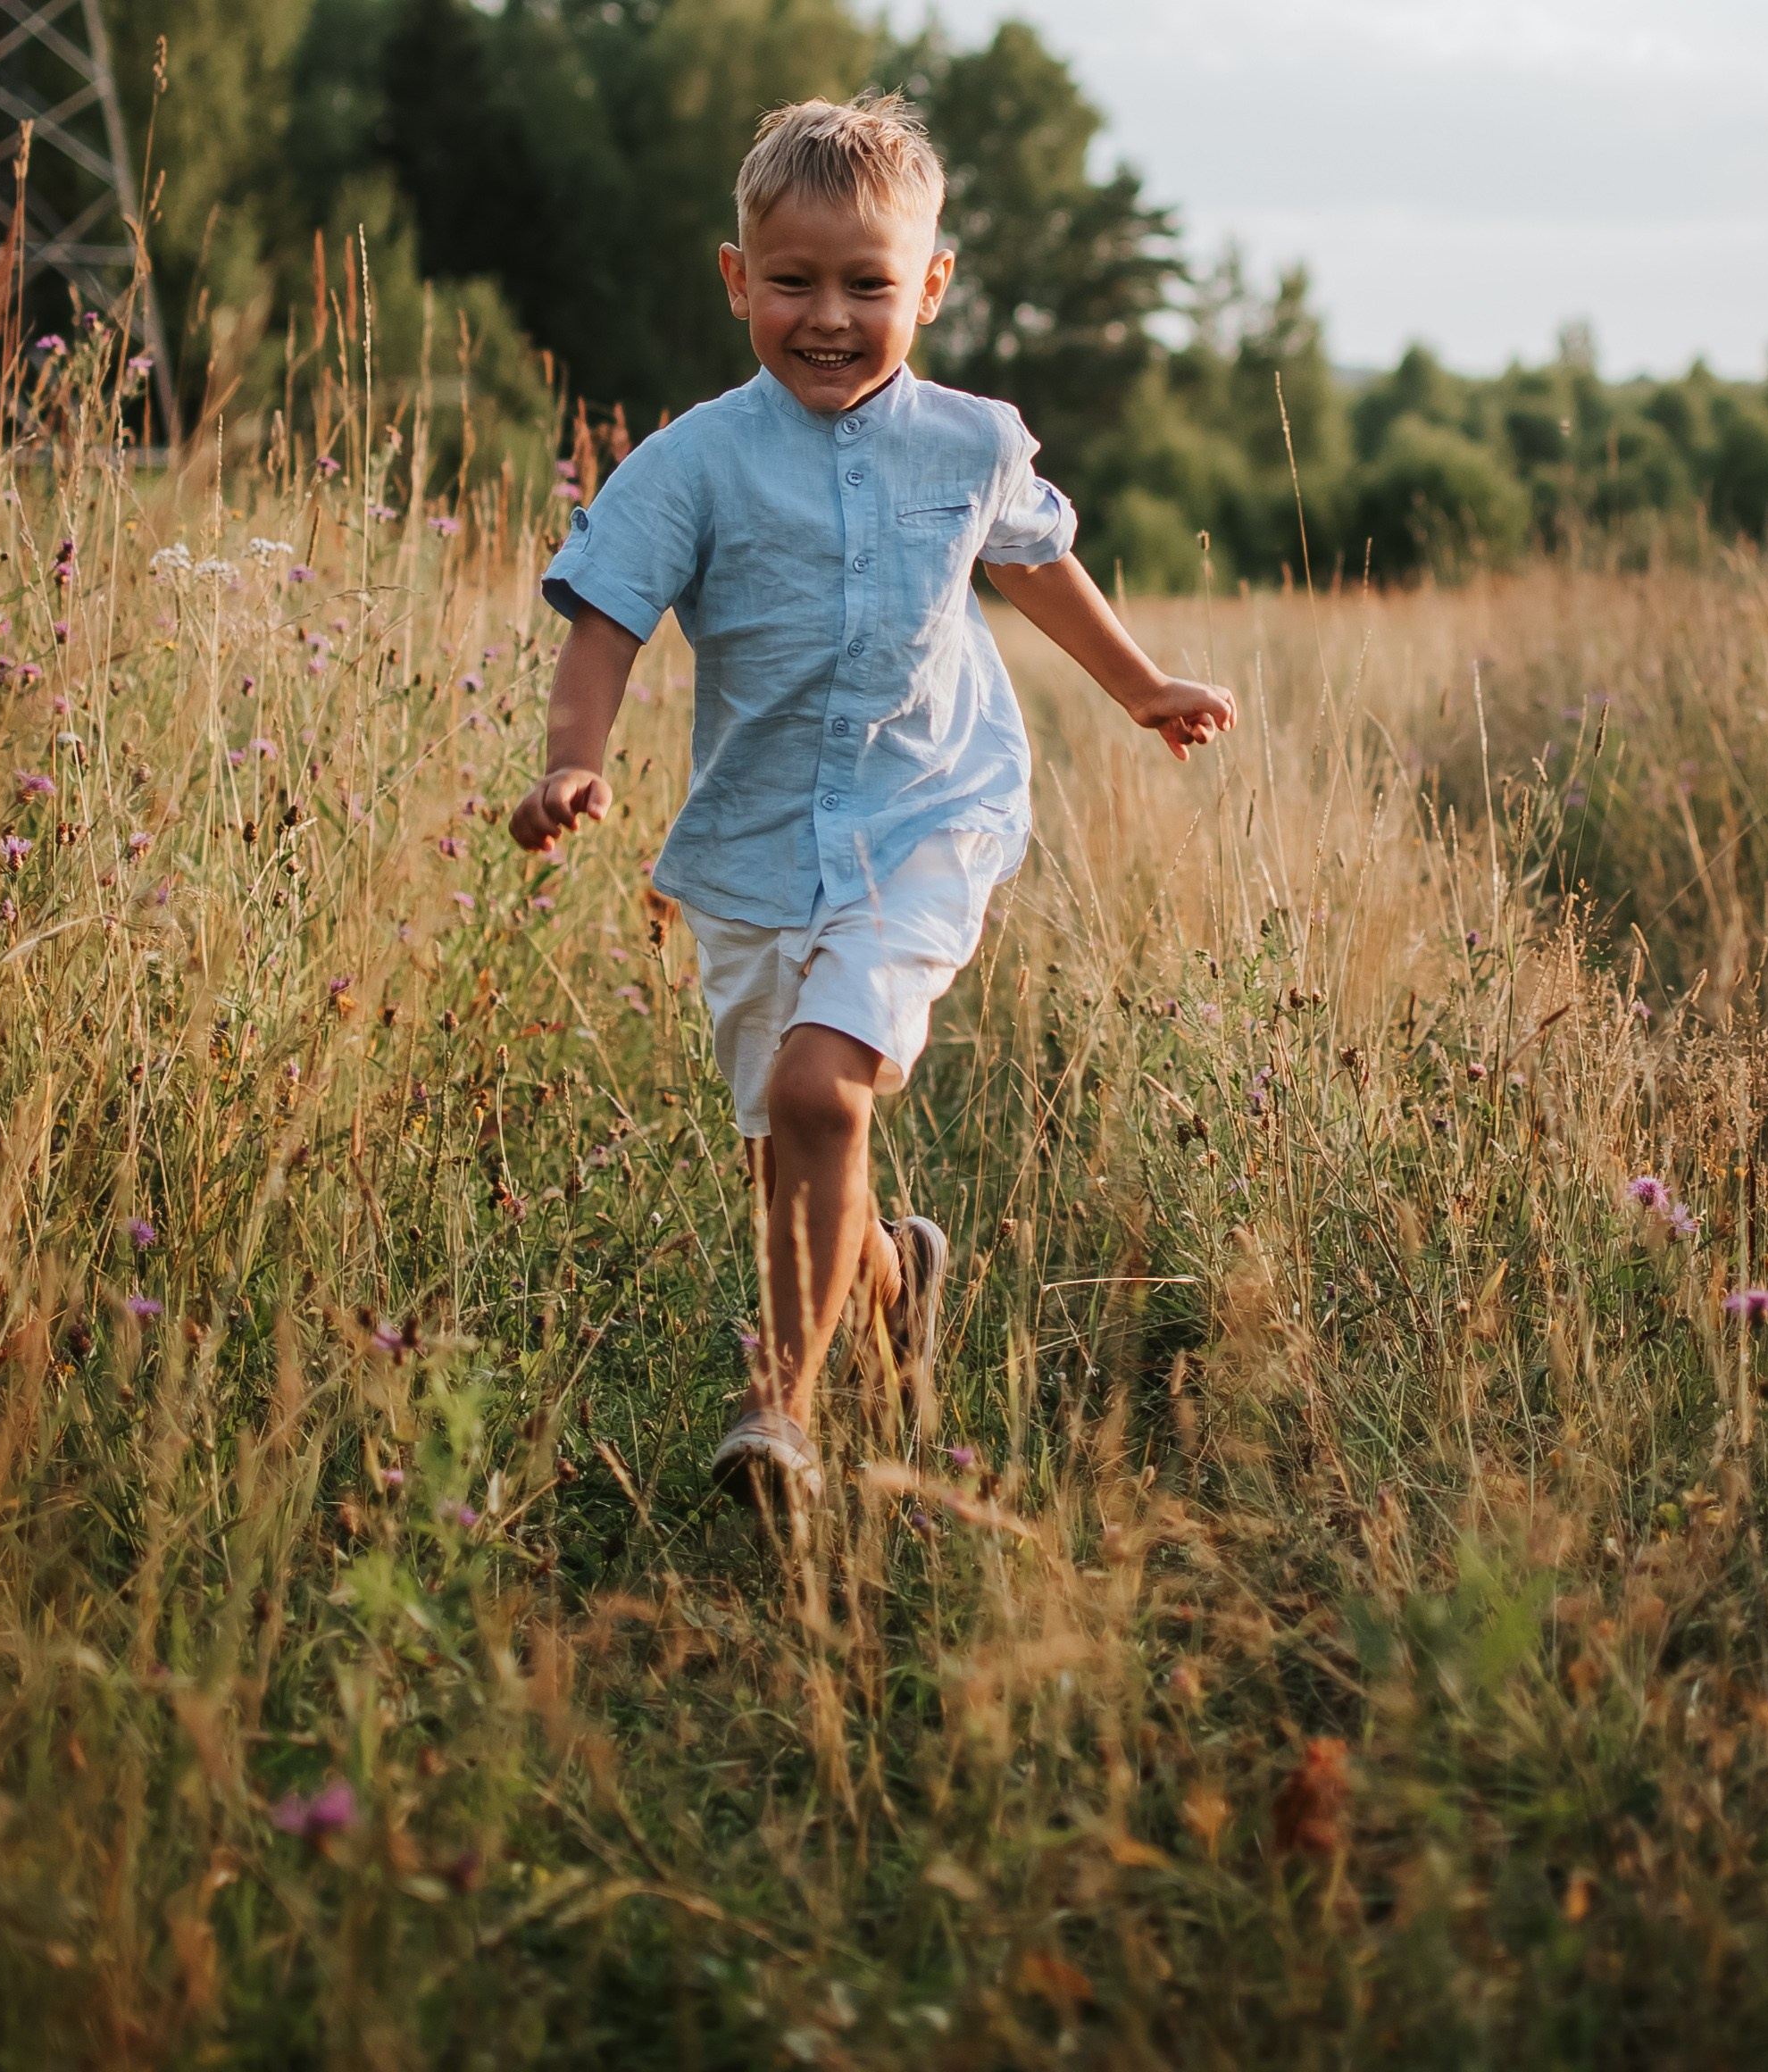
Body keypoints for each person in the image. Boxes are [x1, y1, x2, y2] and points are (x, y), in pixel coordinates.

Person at [508, 91, 1237, 1503]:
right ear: (737, 281)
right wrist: (570, 760)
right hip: (757, 845)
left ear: (932, 285)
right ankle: (897, 1281)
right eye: (792, 282)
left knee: (817, 1091)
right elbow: (604, 620)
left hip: (928, 820)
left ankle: (777, 1411)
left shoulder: (968, 442)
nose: (828, 316)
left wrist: (1138, 685)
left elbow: (1028, 563)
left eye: (867, 285)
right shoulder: (694, 462)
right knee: (792, 1154)